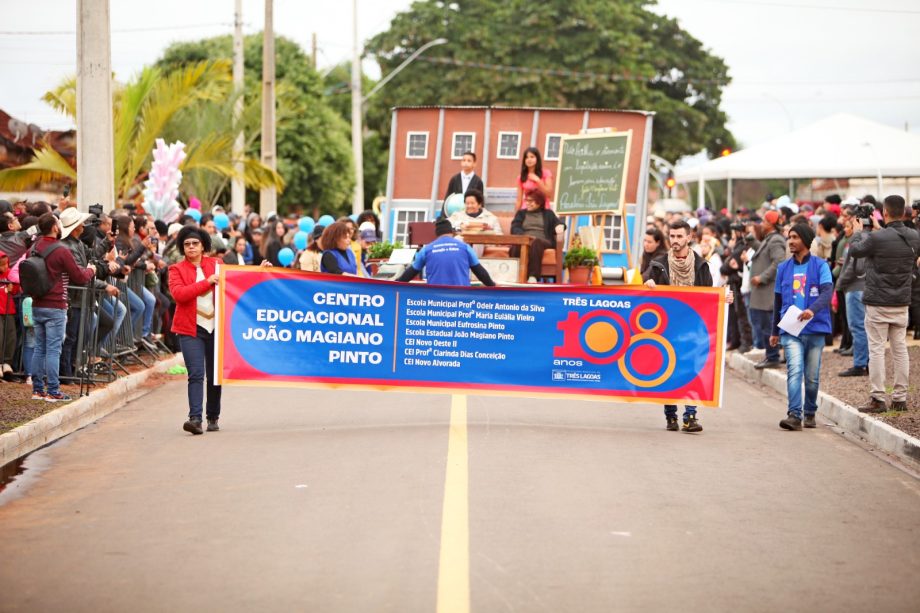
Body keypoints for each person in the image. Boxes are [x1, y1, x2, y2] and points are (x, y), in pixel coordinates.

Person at [644, 220, 732, 433]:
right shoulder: (659, 264)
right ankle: (671, 415)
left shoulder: (702, 266)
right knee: (668, 370)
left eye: (679, 236)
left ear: (689, 237)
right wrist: (648, 284)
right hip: (666, 328)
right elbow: (645, 285)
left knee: (691, 370)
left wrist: (723, 298)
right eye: (672, 236)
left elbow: (708, 296)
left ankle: (690, 416)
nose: (675, 241)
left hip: (692, 328)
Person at [847, 195, 920, 413]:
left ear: (884, 212)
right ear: (904, 212)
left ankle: (878, 398)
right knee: (900, 350)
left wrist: (858, 231)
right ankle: (900, 398)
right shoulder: (914, 236)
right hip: (901, 301)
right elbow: (894, 239)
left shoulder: (876, 238)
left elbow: (855, 250)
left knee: (877, 349)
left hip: (878, 301)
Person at [768, 224, 834, 430]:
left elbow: (827, 292)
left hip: (815, 329)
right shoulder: (783, 268)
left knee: (812, 378)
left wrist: (812, 310)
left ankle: (810, 411)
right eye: (789, 237)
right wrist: (774, 331)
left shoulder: (821, 265)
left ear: (805, 240)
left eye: (795, 237)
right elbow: (778, 301)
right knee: (794, 370)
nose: (790, 241)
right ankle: (794, 415)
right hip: (790, 330)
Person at [29, 213, 96, 402]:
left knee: (39, 348)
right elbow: (80, 277)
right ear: (55, 227)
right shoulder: (60, 250)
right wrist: (92, 269)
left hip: (37, 303)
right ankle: (53, 391)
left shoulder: (34, 247)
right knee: (53, 349)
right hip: (56, 305)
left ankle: (37, 390)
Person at [168, 226, 224, 435]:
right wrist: (206, 282)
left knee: (214, 375)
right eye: (187, 244)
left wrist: (259, 270)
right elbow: (180, 295)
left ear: (203, 246)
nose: (191, 247)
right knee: (196, 374)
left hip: (216, 327)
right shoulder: (176, 269)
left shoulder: (217, 264)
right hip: (191, 329)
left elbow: (237, 281)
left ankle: (213, 416)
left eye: (195, 244)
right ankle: (195, 418)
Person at [395, 218, 496, 287]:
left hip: (436, 301)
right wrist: (493, 286)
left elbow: (410, 273)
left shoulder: (426, 250)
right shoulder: (465, 247)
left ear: (437, 234)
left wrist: (394, 284)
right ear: (451, 232)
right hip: (462, 299)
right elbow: (480, 273)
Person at [748, 210, 787, 369]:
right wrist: (749, 237)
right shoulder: (770, 239)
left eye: (764, 221)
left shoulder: (776, 240)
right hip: (763, 293)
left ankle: (772, 357)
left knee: (767, 326)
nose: (761, 224)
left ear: (770, 224)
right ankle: (771, 355)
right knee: (764, 325)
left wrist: (762, 277)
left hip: (767, 292)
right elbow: (762, 251)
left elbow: (779, 262)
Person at [835, 213, 869, 377]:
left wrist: (840, 283)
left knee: (857, 326)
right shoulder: (866, 237)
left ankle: (860, 364)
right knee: (861, 326)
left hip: (855, 288)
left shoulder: (860, 238)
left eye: (852, 223)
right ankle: (864, 362)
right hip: (859, 287)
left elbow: (855, 267)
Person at [509, 190, 564, 282]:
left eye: (531, 201)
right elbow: (515, 227)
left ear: (539, 202)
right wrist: (523, 237)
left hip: (543, 240)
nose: (528, 203)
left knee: (536, 242)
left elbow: (558, 224)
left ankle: (533, 276)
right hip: (525, 239)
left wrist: (560, 226)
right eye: (527, 200)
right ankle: (515, 275)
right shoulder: (521, 213)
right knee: (517, 244)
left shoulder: (548, 214)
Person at [0, 252, 19, 378]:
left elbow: (16, 288)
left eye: (6, 264)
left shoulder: (9, 273)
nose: (5, 267)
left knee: (10, 337)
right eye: (2, 265)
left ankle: (7, 363)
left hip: (8, 309)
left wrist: (14, 288)